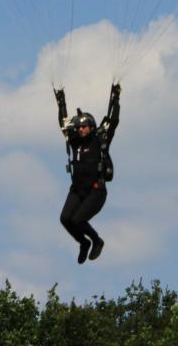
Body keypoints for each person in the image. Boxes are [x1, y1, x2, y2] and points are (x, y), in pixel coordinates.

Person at [54, 82, 121, 264]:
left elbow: (113, 122)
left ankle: (97, 241)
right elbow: (64, 124)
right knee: (65, 218)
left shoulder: (99, 140)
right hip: (77, 190)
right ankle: (84, 243)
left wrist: (116, 98)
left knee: (77, 220)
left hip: (95, 191)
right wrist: (61, 102)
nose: (81, 129)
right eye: (79, 127)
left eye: (84, 126)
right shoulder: (74, 142)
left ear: (91, 127)